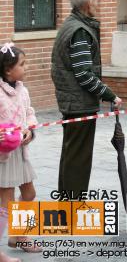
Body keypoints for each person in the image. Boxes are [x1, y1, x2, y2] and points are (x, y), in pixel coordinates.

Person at [51, 0, 122, 200]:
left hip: (73, 101)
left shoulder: (72, 24)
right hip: (79, 103)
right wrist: (110, 95)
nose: (98, 4)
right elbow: (84, 74)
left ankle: (67, 203)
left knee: (71, 155)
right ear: (88, 3)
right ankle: (72, 206)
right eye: (97, 0)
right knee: (78, 159)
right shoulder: (80, 31)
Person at [0, 45, 41, 259]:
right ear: (8, 70)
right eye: (22, 64)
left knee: (29, 194)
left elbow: (30, 115)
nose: (26, 67)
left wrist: (29, 130)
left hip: (21, 154)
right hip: (3, 158)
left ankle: (18, 235)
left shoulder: (23, 90)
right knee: (6, 204)